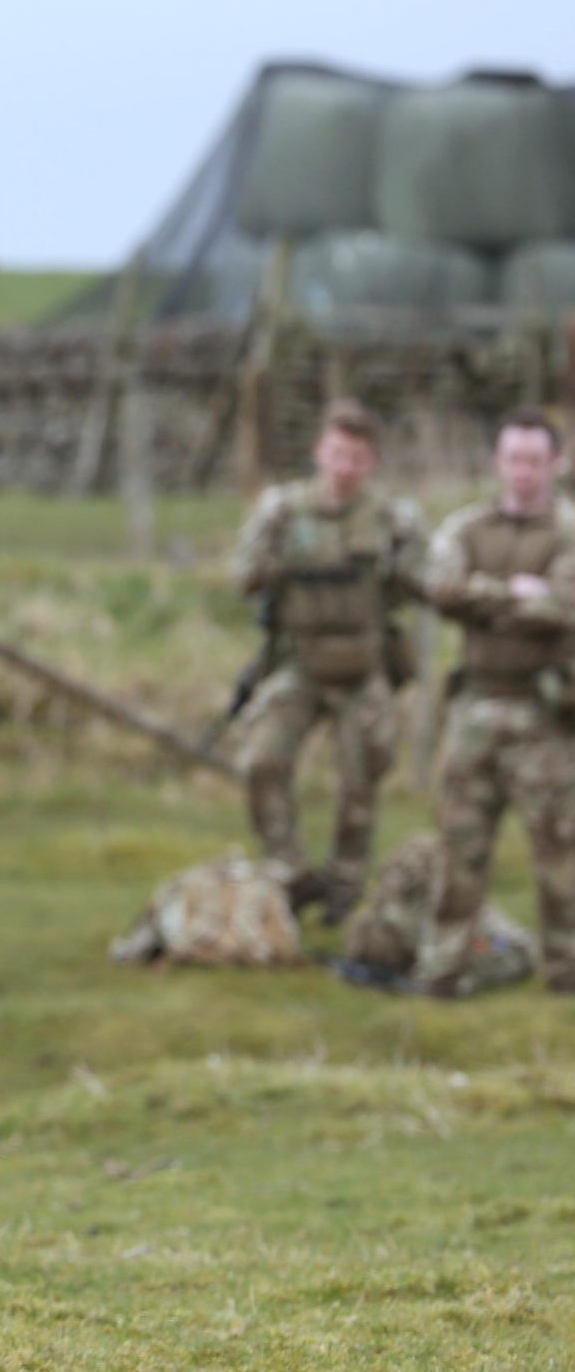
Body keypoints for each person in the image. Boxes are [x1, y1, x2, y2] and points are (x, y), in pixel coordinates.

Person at [225, 400, 425, 921]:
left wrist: (399, 563)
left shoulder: (391, 519)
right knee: (261, 759)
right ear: (319, 452)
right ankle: (289, 871)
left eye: (357, 457)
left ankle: (343, 887)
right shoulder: (283, 511)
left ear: (371, 462)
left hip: (363, 666)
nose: (345, 467)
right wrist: (282, 557)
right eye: (337, 454)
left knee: (362, 780)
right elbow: (243, 576)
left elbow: (424, 585)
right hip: (298, 662)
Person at [417, 409, 575, 997]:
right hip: (475, 710)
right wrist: (512, 591)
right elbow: (438, 588)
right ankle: (443, 967)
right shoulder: (466, 527)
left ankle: (567, 969)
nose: (525, 472)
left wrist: (480, 597)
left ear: (555, 464)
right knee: (460, 844)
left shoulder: (568, 528)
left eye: (536, 460)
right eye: (514, 459)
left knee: (560, 850)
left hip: (547, 715)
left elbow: (561, 606)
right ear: (498, 463)